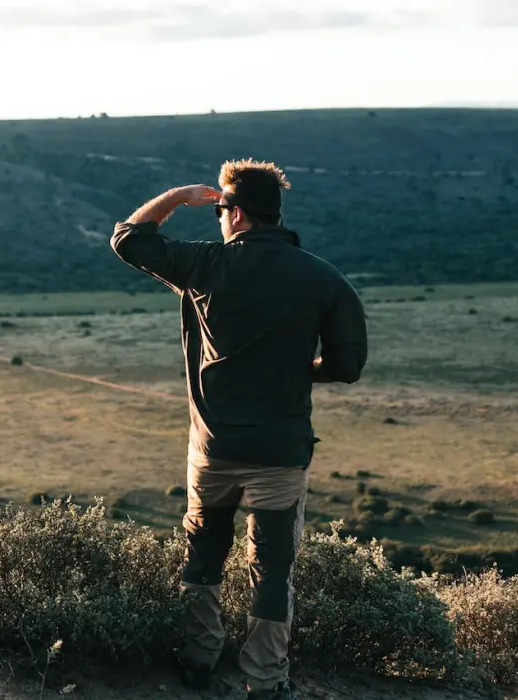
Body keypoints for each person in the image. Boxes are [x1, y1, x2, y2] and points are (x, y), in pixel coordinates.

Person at [110, 159, 368, 700]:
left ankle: (199, 661)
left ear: (238, 215)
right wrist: (301, 370)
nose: (220, 220)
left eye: (222, 211)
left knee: (203, 555)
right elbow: (346, 366)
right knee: (273, 568)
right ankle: (266, 681)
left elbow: (128, 239)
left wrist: (178, 198)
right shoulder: (324, 278)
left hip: (215, 450)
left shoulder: (205, 266)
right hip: (280, 451)